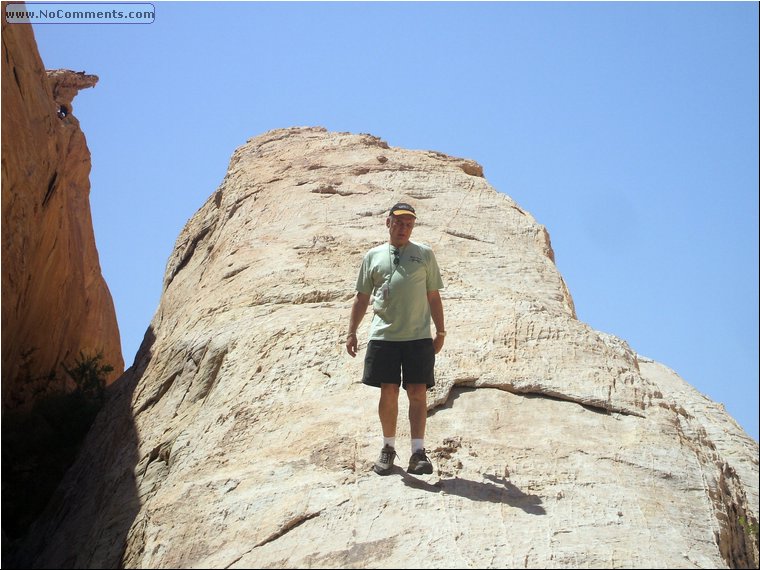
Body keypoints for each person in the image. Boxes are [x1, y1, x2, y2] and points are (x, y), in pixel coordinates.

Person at [345, 202, 445, 476]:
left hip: (417, 336)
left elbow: (433, 294)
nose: (404, 229)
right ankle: (388, 448)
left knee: (417, 392)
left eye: (409, 224)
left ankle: (418, 452)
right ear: (387, 223)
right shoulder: (373, 256)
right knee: (387, 390)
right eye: (399, 223)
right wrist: (352, 331)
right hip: (384, 335)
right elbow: (362, 297)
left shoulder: (424, 254)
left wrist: (441, 331)